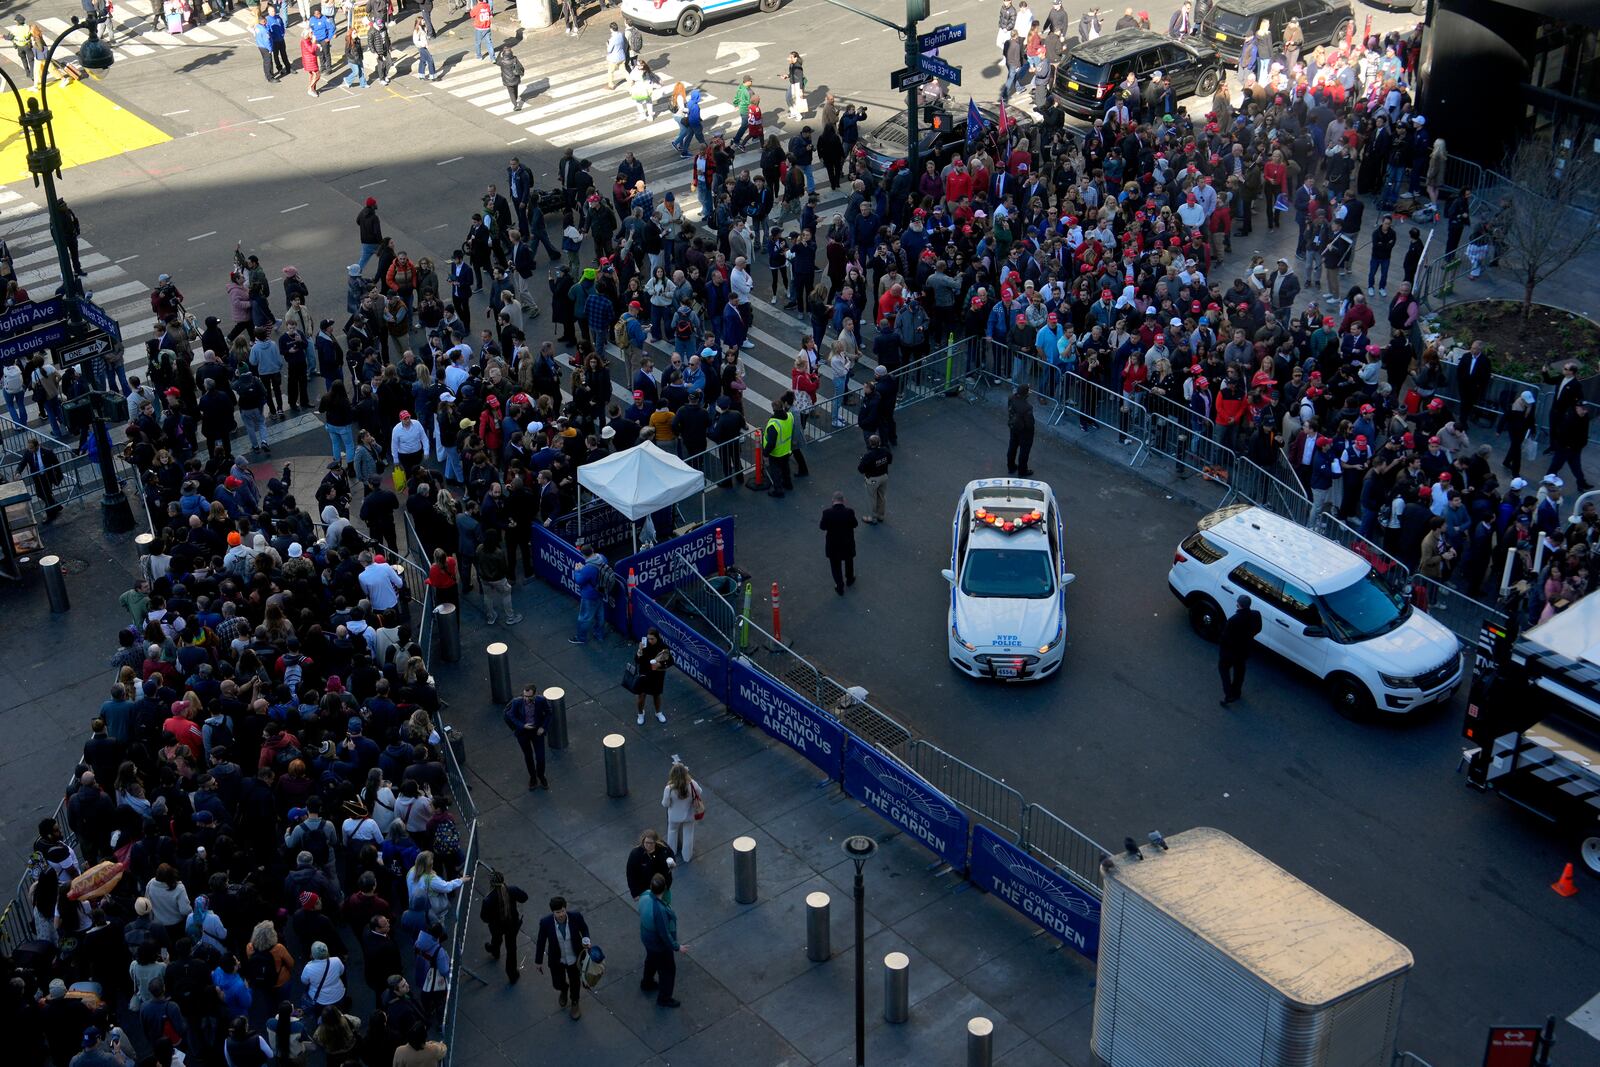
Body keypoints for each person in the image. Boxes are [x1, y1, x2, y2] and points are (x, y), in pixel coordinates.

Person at [535, 894, 590, 1018]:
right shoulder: (545, 923)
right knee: (557, 982)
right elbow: (541, 941)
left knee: (575, 982)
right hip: (557, 960)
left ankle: (575, 1002)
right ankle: (564, 989)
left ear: (566, 908)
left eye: (562, 911)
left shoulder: (576, 917)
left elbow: (584, 929)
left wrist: (586, 939)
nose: (560, 914)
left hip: (574, 958)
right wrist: (538, 961)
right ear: (553, 912)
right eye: (557, 912)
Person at [638, 873, 685, 1007]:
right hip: (659, 945)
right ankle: (664, 998)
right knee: (668, 970)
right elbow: (664, 933)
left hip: (646, 937)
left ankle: (647, 982)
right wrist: (677, 946)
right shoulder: (660, 910)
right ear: (664, 888)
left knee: (651, 959)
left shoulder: (645, 896)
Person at [480, 870, 529, 983]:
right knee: (511, 949)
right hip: (512, 925)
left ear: (491, 884)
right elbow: (524, 898)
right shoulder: (512, 890)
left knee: (496, 938)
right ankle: (512, 974)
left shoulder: (488, 900)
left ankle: (495, 951)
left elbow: (484, 918)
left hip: (496, 926)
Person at [1218, 594, 1263, 706]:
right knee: (1239, 671)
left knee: (1223, 669)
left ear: (1239, 605)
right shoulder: (1256, 615)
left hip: (1230, 652)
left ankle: (1229, 694)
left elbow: (1225, 637)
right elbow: (1258, 628)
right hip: (1244, 650)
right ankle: (1236, 692)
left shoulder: (1233, 620)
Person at [819, 491, 859, 595]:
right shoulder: (850, 512)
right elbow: (855, 524)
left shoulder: (826, 513)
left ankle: (839, 586)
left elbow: (822, 527)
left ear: (833, 501)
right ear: (843, 501)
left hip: (833, 546)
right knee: (849, 561)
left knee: (835, 566)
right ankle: (849, 579)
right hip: (847, 543)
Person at [661, 762, 701, 862]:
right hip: (689, 815)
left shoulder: (669, 789)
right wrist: (689, 778)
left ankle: (672, 852)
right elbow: (699, 792)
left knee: (672, 832)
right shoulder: (692, 784)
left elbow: (665, 804)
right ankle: (687, 856)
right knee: (688, 834)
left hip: (674, 817)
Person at [633, 627, 671, 725]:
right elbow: (637, 660)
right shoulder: (644, 647)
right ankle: (640, 714)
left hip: (657, 674)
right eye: (648, 638)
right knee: (641, 696)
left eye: (652, 639)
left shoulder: (663, 647)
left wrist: (660, 665)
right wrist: (640, 651)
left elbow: (670, 661)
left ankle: (658, 712)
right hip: (644, 674)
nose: (650, 641)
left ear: (657, 638)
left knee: (656, 695)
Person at [857, 434, 891, 524]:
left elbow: (860, 469)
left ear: (870, 443)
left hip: (872, 479)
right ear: (879, 442)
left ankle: (872, 517)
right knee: (881, 496)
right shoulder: (885, 450)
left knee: (871, 498)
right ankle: (881, 515)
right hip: (884, 476)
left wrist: (862, 460)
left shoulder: (868, 455)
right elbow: (890, 460)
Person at [1007, 383, 1035, 476]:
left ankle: (1011, 466)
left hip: (1014, 427)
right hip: (1024, 432)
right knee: (1024, 451)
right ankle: (1022, 471)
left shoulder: (1011, 398)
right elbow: (1030, 424)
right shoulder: (1027, 407)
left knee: (1012, 447)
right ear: (1025, 394)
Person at [496, 40, 524, 111]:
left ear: (504, 54)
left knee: (511, 92)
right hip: (516, 78)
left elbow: (496, 61)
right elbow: (521, 67)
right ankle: (516, 99)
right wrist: (522, 73)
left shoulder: (502, 61)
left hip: (507, 80)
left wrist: (500, 53)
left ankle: (515, 105)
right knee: (515, 89)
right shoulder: (514, 59)